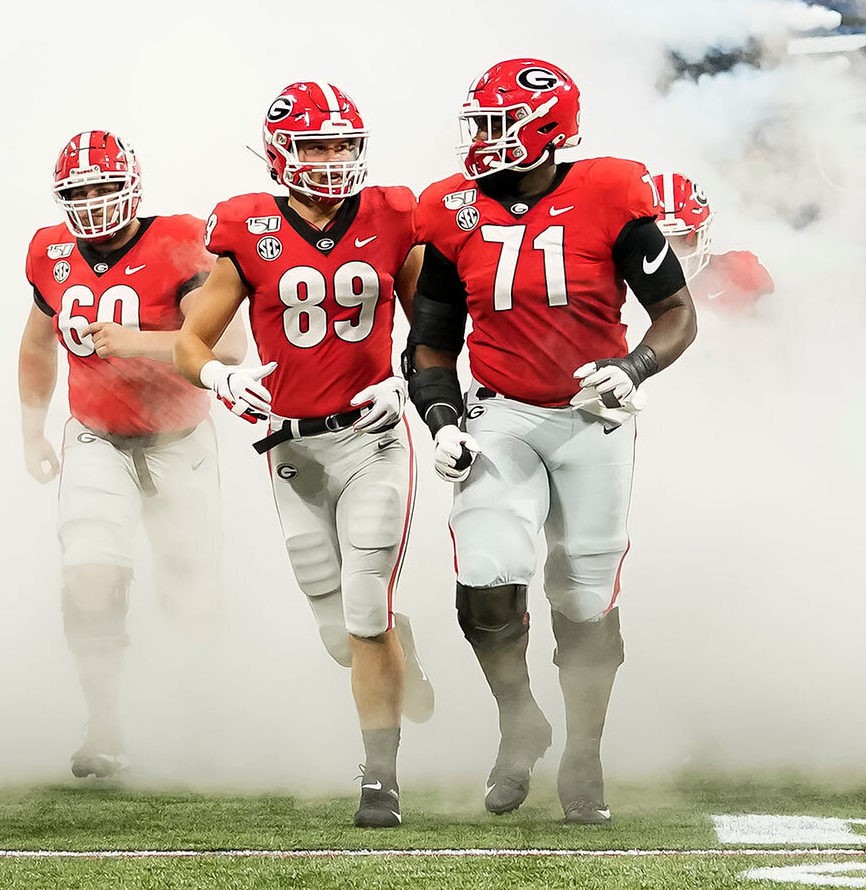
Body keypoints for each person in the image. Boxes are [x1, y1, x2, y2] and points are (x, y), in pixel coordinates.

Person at [407, 59, 698, 825]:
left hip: (592, 417)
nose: (481, 139)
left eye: (497, 124)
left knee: (584, 598)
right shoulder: (450, 209)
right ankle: (519, 718)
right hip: (499, 413)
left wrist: (633, 368)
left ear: (545, 129)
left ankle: (584, 754)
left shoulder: (609, 191)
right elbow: (431, 344)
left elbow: (675, 312)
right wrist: (440, 420)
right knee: (486, 575)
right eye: (479, 123)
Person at [176, 82, 436, 829]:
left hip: (372, 437)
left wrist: (410, 380)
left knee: (361, 608)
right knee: (340, 634)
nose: (332, 160)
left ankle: (379, 777)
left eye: (343, 144)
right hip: (291, 450)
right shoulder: (246, 228)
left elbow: (433, 327)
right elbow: (188, 340)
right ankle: (401, 650)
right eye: (317, 145)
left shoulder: (393, 215)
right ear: (279, 154)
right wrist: (222, 375)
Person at [20, 130, 233, 779]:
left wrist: (135, 342)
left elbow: (228, 348)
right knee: (89, 578)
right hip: (96, 437)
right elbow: (37, 345)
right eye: (77, 192)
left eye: (102, 187)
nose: (90, 202)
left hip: (178, 438)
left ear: (132, 186)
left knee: (189, 596)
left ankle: (204, 717)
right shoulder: (50, 250)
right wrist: (32, 428)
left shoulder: (178, 238)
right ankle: (104, 724)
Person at [655, 172, 772, 312]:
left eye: (684, 239)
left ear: (704, 233)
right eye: (661, 240)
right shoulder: (627, 289)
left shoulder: (740, 272)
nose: (674, 251)